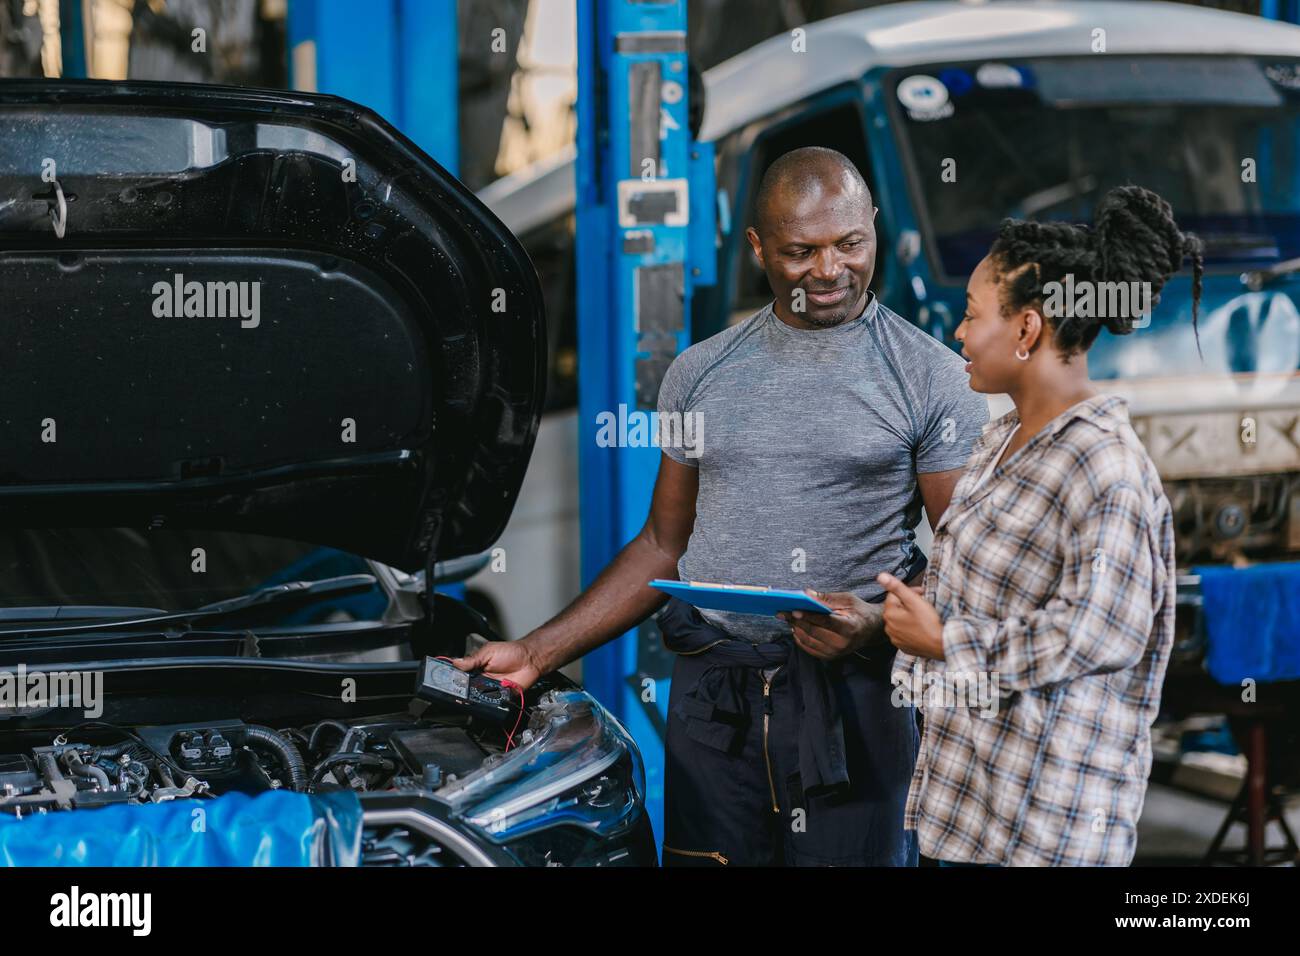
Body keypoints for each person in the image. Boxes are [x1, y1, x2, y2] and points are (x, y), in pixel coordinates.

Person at [453, 146, 989, 865]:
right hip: (714, 705)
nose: (830, 270)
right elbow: (661, 546)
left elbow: (969, 565)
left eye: (850, 244)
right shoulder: (699, 374)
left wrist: (872, 625)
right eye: (802, 251)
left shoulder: (931, 377)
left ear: (874, 229)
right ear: (758, 247)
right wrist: (532, 653)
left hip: (855, 703)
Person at [872, 185, 1201, 866]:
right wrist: (885, 614)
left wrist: (945, 641)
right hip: (973, 816)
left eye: (971, 315)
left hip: (1046, 835)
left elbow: (1095, 632)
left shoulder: (1104, 466)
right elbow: (977, 589)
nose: (957, 334)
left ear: (1027, 330)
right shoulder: (1001, 445)